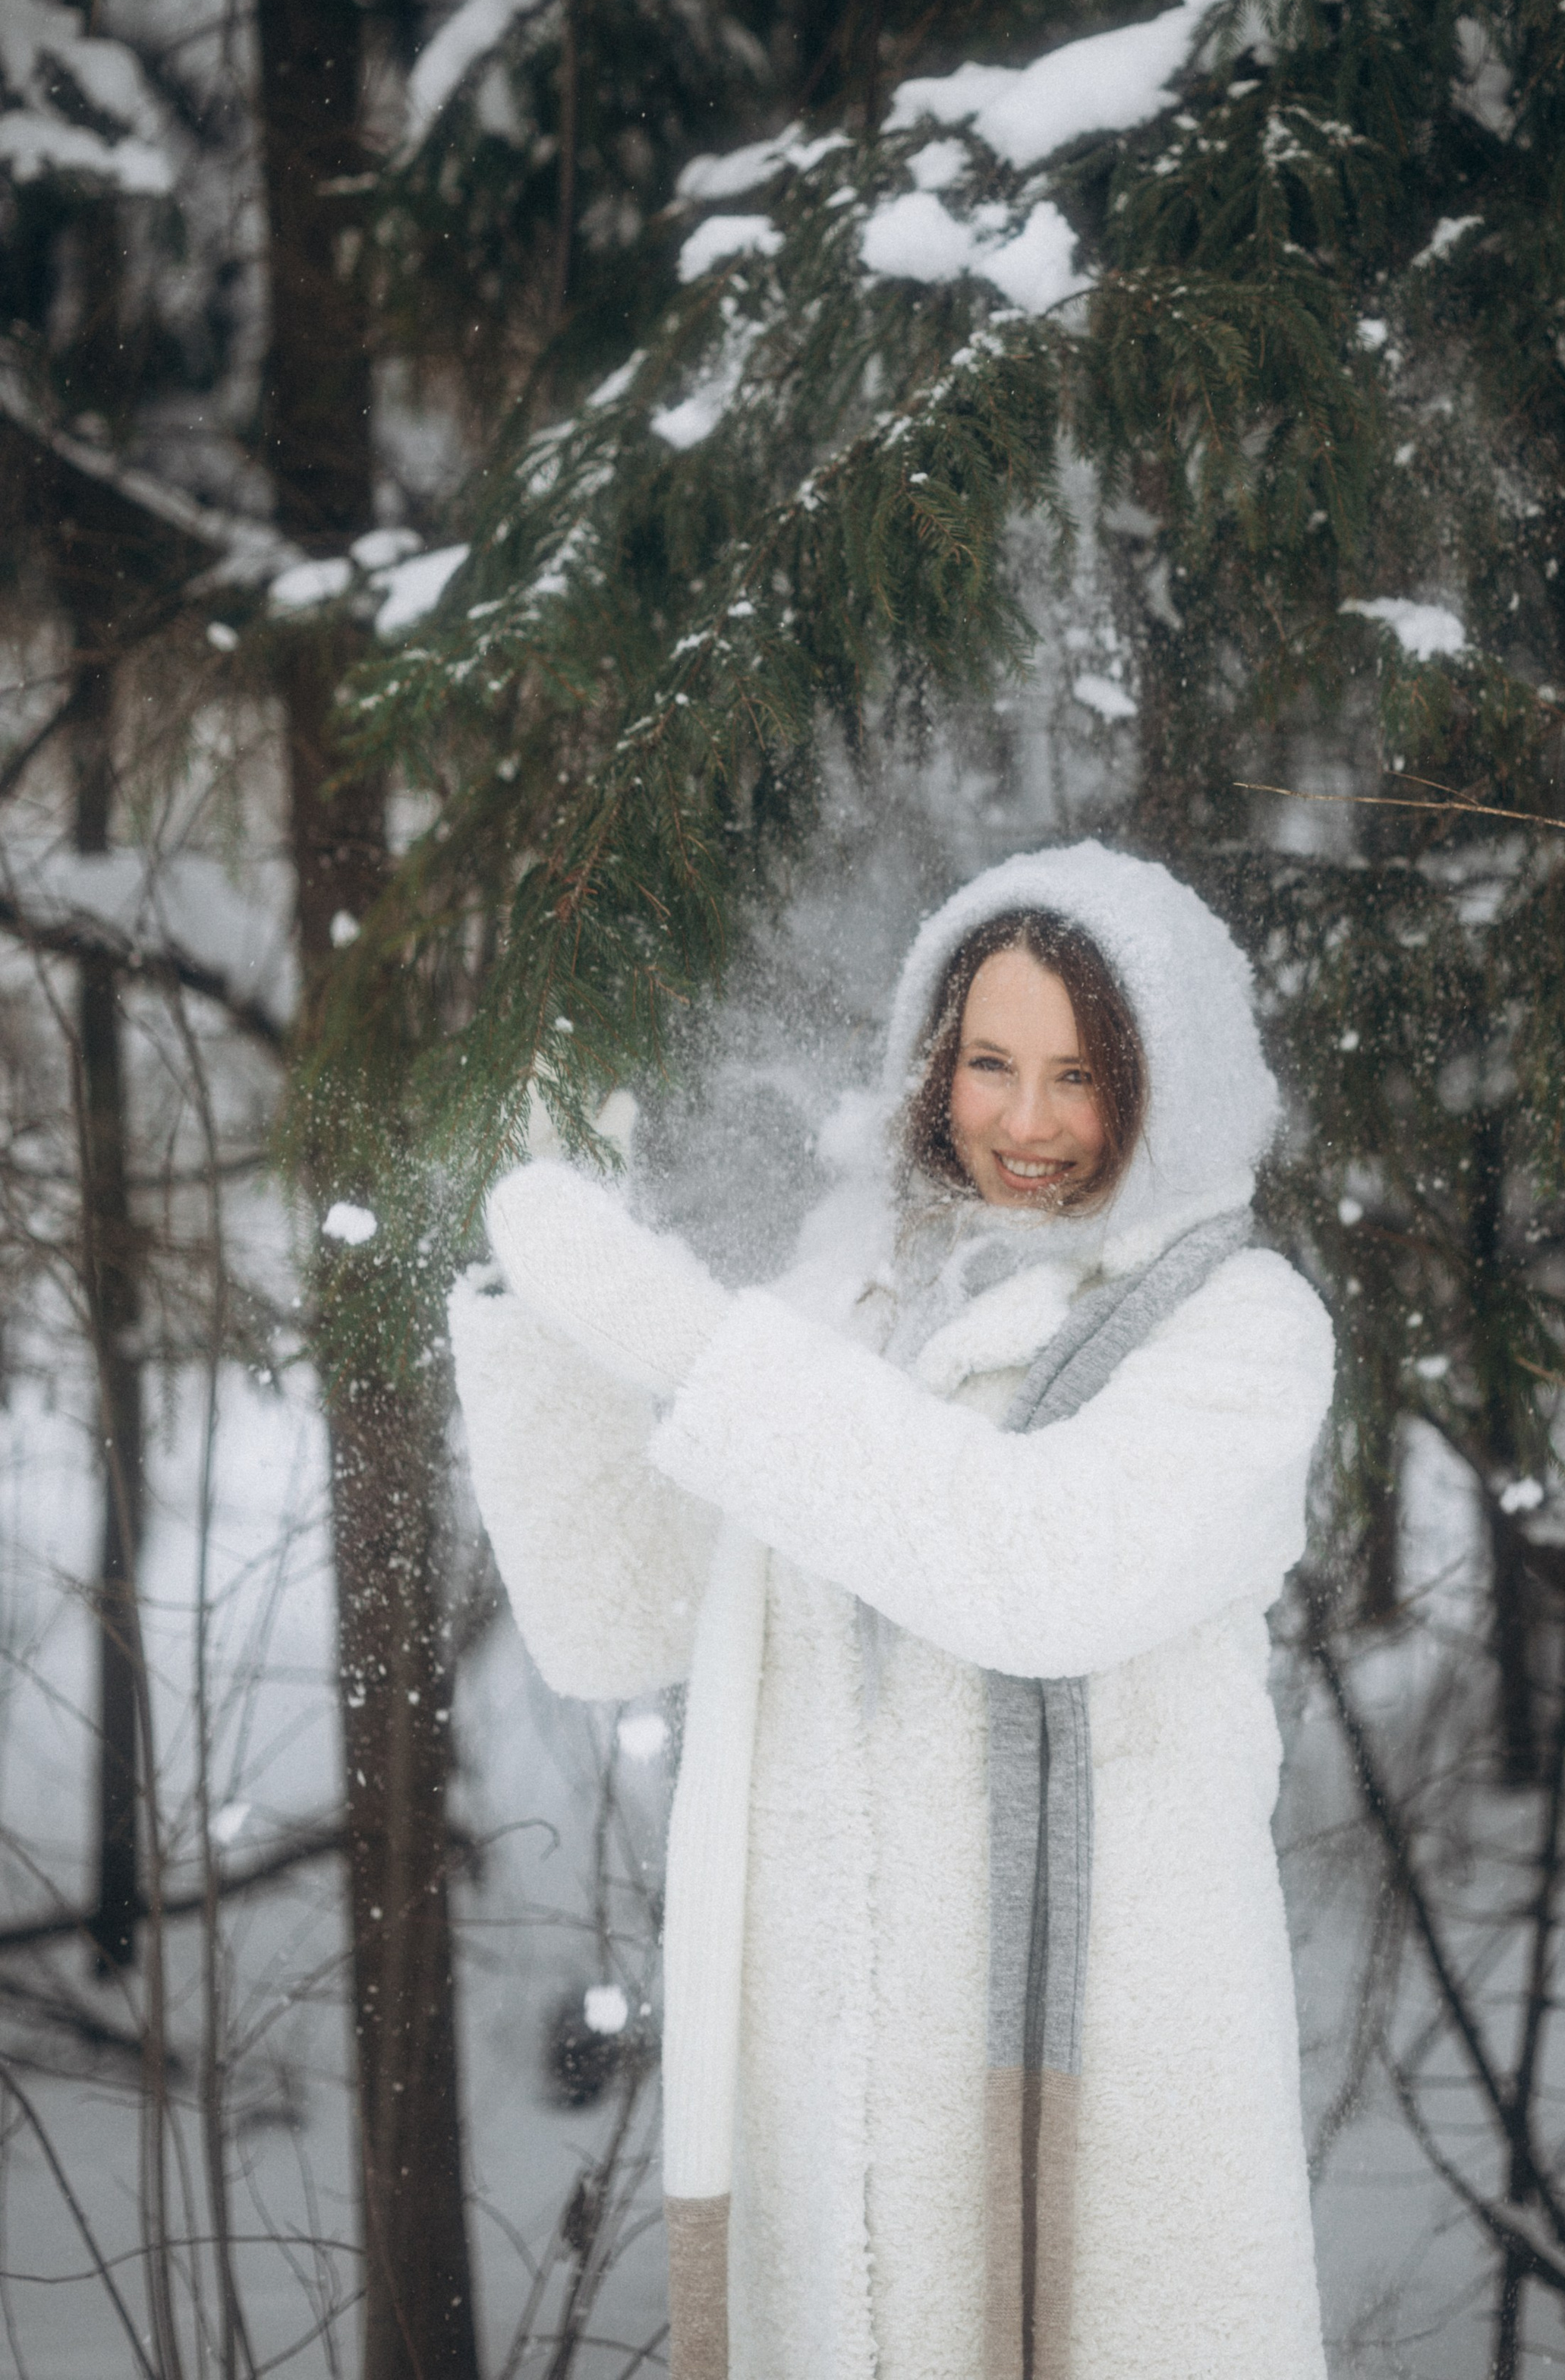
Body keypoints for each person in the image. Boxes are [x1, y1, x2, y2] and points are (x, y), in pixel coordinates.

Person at [451, 839, 1334, 2380]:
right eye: (988, 1062)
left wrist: (681, 1333)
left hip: (1100, 2119)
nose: (1027, 1121)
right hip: (837, 2114)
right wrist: (549, 1312)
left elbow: (1039, 1566)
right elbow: (615, 1614)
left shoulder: (1235, 1330)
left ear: (1168, 1083)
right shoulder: (848, 1302)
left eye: (1080, 1073)